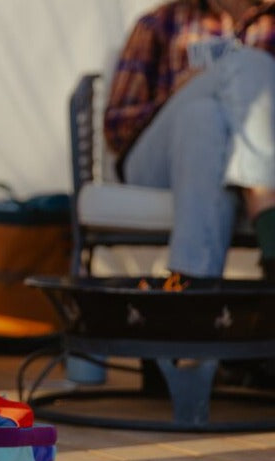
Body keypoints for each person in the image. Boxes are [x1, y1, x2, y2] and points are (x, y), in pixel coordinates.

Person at [104, 0, 275, 284]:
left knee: (202, 117)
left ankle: (192, 285)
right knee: (247, 64)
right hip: (155, 162)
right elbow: (117, 128)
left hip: (217, 152)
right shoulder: (160, 23)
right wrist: (177, 94)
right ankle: (268, 213)